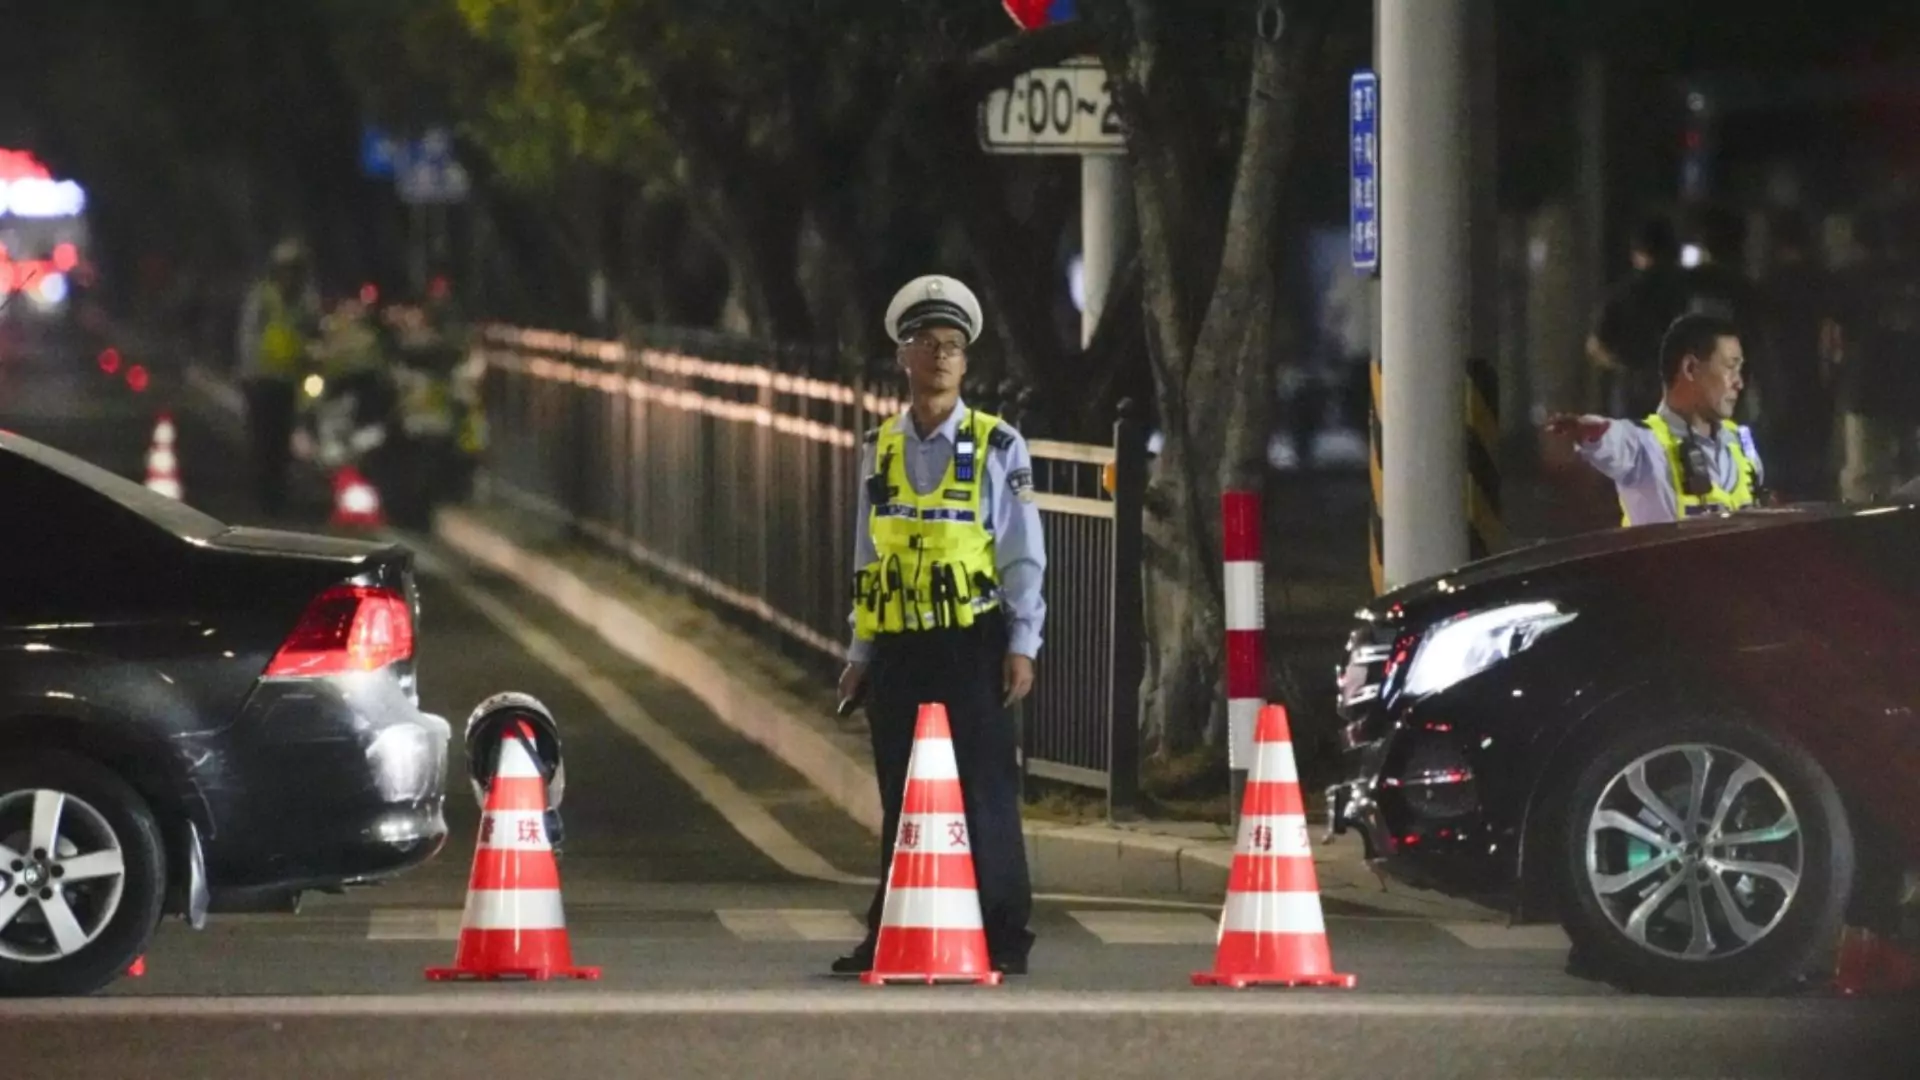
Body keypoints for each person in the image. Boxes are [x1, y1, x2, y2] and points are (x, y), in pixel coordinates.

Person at [831, 274, 1046, 977]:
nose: (941, 356)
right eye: (928, 343)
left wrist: (1022, 644)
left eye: (953, 346)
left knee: (984, 787)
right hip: (898, 645)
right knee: (901, 792)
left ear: (966, 361)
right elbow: (868, 554)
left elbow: (1021, 554)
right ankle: (891, 928)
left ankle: (1003, 932)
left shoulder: (998, 444)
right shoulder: (880, 446)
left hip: (970, 639)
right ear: (904, 356)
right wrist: (860, 651)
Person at [1547, 312, 1767, 526]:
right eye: (1730, 367)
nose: (1739, 383)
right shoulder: (1645, 446)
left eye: (1740, 369)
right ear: (1690, 368)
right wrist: (1585, 430)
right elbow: (1610, 437)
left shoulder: (1741, 441)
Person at [235, 238, 321, 516]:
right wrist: (248, 374)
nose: (292, 276)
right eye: (288, 270)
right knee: (262, 441)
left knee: (281, 442)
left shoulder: (305, 303)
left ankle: (277, 495)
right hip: (260, 381)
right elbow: (248, 337)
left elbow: (311, 335)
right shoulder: (262, 298)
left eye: (297, 270)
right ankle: (263, 495)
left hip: (286, 382)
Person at [1587, 216, 1690, 416]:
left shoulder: (1622, 294)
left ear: (1637, 253)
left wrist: (1627, 366)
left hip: (1632, 392)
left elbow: (1597, 346)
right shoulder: (1685, 293)